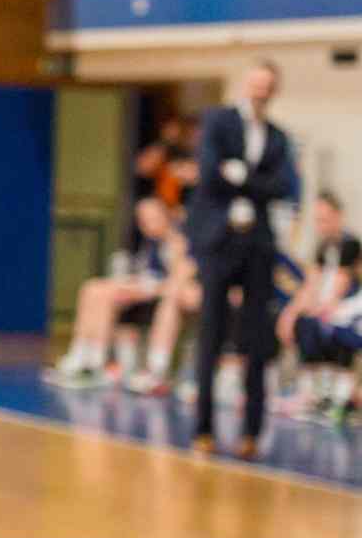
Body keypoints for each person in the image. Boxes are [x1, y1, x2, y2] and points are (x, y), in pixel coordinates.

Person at [186, 59, 298, 459]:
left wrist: (240, 176)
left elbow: (282, 186)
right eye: (256, 83)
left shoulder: (278, 138)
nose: (260, 90)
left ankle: (252, 432)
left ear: (274, 90)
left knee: (256, 339)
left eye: (268, 84)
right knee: (212, 335)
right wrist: (252, 182)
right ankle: (203, 429)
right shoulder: (218, 122)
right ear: (246, 84)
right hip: (219, 243)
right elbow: (208, 173)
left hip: (257, 247)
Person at [45, 198, 186, 390]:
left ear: (166, 216)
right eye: (143, 220)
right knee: (92, 289)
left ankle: (95, 363)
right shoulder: (151, 243)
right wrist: (132, 283)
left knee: (106, 294)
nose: (148, 224)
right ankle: (81, 354)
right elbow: (147, 272)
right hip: (142, 288)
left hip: (157, 294)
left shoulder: (177, 241)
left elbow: (176, 281)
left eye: (153, 218)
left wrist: (144, 289)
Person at [277, 191, 361, 426]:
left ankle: (340, 400)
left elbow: (339, 287)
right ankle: (313, 395)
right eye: (317, 220)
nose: (320, 226)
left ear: (338, 216)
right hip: (327, 311)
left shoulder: (349, 245)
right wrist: (290, 314)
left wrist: (318, 309)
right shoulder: (323, 246)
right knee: (305, 324)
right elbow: (311, 284)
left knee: (326, 326)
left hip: (348, 311)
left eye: (324, 219)